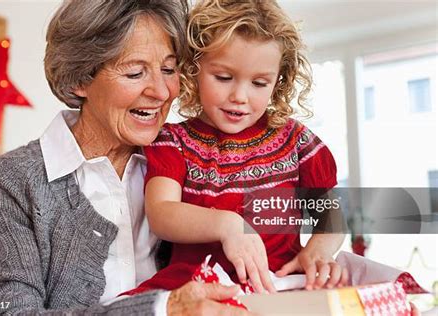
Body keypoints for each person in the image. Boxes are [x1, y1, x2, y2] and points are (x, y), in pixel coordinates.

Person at [0, 1, 254, 315]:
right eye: (135, 72)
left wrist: (320, 236)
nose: (161, 92)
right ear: (80, 79)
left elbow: (286, 186)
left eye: (169, 69)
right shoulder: (10, 182)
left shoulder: (190, 160)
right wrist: (162, 308)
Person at [132, 0, 349, 295]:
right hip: (197, 288)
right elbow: (162, 213)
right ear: (193, 69)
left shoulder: (296, 142)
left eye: (259, 83)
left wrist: (319, 250)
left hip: (278, 285)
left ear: (279, 81)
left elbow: (330, 217)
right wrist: (227, 225)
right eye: (223, 77)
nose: (240, 96)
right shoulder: (174, 142)